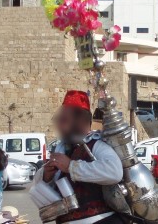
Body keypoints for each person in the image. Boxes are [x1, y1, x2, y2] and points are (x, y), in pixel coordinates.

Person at [32, 90, 123, 224]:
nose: (59, 126)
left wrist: (71, 167)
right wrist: (46, 175)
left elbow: (114, 172)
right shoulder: (62, 148)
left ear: (81, 121)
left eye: (64, 120)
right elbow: (42, 185)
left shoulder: (96, 144)